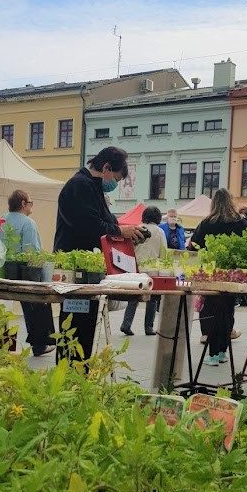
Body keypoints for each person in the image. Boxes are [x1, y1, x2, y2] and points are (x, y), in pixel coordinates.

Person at [54, 146, 145, 361]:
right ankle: (69, 378)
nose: (115, 184)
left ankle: (78, 378)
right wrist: (120, 230)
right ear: (106, 168)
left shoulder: (93, 187)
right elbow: (89, 225)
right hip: (75, 272)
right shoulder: (80, 185)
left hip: (88, 271)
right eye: (116, 177)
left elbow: (107, 220)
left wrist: (127, 230)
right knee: (74, 331)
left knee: (84, 330)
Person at [190, 189, 247, 366]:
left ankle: (213, 353)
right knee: (228, 311)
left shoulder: (207, 223)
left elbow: (194, 246)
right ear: (231, 201)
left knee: (211, 312)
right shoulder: (241, 222)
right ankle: (223, 351)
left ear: (214, 203)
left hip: (211, 273)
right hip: (233, 274)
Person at [3, 189, 55, 356]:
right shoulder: (28, 223)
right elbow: (31, 252)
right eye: (31, 202)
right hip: (25, 273)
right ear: (23, 204)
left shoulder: (2, 220)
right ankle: (39, 345)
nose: (32, 206)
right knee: (38, 303)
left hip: (3, 271)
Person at [120, 205, 166, 336]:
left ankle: (126, 324)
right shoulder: (159, 231)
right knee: (152, 298)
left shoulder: (137, 228)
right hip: (153, 268)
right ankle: (148, 327)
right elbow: (163, 251)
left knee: (134, 297)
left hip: (137, 267)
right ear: (157, 218)